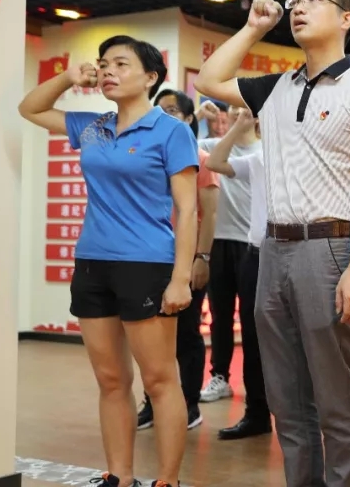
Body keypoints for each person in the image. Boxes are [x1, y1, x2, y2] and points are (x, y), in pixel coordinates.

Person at [194, 0, 350, 487]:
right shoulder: (276, 87)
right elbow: (208, 81)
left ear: (346, 18)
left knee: (335, 401)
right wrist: (254, 27)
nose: (298, 7)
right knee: (287, 400)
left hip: (330, 249)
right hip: (273, 250)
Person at [18, 35, 197, 487]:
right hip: (92, 263)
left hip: (147, 265)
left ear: (151, 77)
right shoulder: (92, 126)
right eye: (103, 64)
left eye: (120, 63)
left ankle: (168, 480)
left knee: (159, 380)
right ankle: (120, 476)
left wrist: (181, 278)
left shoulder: (171, 131)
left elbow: (188, 208)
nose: (108, 71)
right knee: (111, 380)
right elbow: (31, 109)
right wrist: (68, 77)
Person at [133, 90, 220, 432]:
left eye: (172, 111)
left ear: (188, 119)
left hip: (185, 259)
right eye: (160, 111)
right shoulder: (150, 157)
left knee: (185, 334)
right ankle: (152, 402)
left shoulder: (200, 159)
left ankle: (189, 404)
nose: (164, 117)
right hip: (149, 259)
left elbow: (209, 215)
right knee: (149, 336)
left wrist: (202, 258)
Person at [205, 109, 273, 440]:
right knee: (236, 324)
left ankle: (296, 412)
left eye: (245, 107)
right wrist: (233, 128)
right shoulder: (250, 157)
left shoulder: (272, 152)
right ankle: (255, 409)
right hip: (247, 250)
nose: (237, 111)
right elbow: (213, 162)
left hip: (280, 250)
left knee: (271, 334)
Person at [197, 104, 262, 408]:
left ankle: (256, 385)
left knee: (252, 319)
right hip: (218, 241)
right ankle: (219, 376)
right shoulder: (214, 146)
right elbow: (178, 144)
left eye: (244, 107)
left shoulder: (264, 150)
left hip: (252, 245)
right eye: (233, 107)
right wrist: (198, 117)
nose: (238, 111)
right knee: (220, 316)